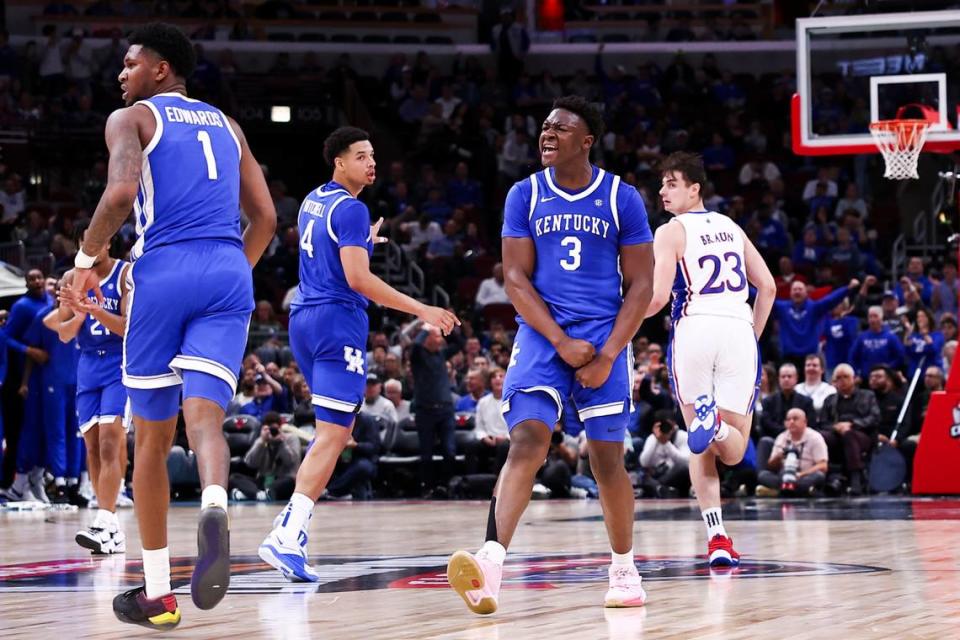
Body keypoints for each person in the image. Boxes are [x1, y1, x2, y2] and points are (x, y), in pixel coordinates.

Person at [69, 23, 277, 628]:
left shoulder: (130, 119)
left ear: (161, 70)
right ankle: (215, 500)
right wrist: (232, 272)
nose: (121, 74)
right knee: (206, 416)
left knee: (154, 442)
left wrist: (86, 263)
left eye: (130, 64)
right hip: (228, 269)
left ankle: (158, 594)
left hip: (162, 271)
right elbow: (263, 215)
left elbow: (120, 192)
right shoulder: (228, 125)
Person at [448, 96, 654, 613]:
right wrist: (560, 341)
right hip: (544, 335)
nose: (548, 134)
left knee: (607, 460)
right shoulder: (524, 194)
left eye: (561, 128)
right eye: (544, 127)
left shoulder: (621, 198)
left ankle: (624, 569)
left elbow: (642, 286)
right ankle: (490, 563)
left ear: (587, 141)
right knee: (527, 441)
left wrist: (607, 354)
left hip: (605, 334)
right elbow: (514, 277)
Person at [258, 126, 457, 582]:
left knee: (334, 429)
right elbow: (358, 280)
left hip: (303, 319)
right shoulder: (352, 209)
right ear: (339, 162)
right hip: (336, 321)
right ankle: (287, 533)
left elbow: (330, 252)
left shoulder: (315, 199)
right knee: (334, 434)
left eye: (373, 155)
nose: (371, 163)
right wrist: (422, 307)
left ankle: (292, 530)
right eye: (361, 156)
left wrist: (362, 243)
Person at [645, 151, 776, 566]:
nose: (663, 191)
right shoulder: (731, 226)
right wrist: (750, 337)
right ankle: (716, 425)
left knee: (702, 450)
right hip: (737, 328)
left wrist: (620, 319)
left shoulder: (670, 231)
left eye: (671, 183)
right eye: (662, 184)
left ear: (694, 188)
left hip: (694, 330)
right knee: (735, 451)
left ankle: (717, 536)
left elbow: (660, 296)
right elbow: (768, 287)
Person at [54, 223, 130, 550]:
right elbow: (64, 333)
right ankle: (110, 526)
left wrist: (95, 308)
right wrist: (80, 313)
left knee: (112, 441)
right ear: (81, 245)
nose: (94, 245)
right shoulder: (72, 279)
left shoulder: (126, 274)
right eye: (88, 241)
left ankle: (104, 519)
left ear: (109, 242)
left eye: (100, 240)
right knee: (94, 447)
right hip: (87, 364)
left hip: (118, 364)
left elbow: (128, 327)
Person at [819, 364, 880, 495]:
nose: (842, 381)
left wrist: (852, 424)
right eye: (838, 378)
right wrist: (835, 427)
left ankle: (855, 479)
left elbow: (874, 418)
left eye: (846, 377)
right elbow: (823, 423)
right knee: (820, 436)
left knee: (849, 434)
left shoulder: (867, 395)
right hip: (837, 433)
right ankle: (826, 478)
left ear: (854, 379)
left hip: (862, 434)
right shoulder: (830, 400)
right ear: (834, 382)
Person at [756, 408, 828, 497]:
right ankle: (800, 491)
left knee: (819, 476)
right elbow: (770, 466)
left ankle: (782, 491)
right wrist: (778, 457)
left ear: (805, 422)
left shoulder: (815, 437)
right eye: (788, 419)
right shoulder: (782, 437)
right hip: (783, 475)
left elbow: (823, 466)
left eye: (795, 419)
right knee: (763, 475)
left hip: (804, 475)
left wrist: (801, 474)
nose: (791, 422)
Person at [759, 363, 815, 438]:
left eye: (789, 376)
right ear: (778, 379)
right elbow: (766, 424)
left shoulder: (806, 402)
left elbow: (811, 424)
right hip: (774, 438)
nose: (786, 379)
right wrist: (787, 430)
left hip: (801, 439)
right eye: (783, 377)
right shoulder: (768, 402)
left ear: (796, 378)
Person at [849, 306, 906, 379]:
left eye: (875, 316)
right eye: (870, 317)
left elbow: (900, 356)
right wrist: (857, 372)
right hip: (866, 377)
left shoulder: (890, 337)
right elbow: (852, 356)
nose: (872, 320)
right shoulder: (862, 337)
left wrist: (888, 368)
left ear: (881, 318)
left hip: (885, 377)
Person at [795, 354, 836, 425]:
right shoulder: (796, 389)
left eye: (814, 365)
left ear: (822, 369)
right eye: (808, 365)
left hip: (821, 427)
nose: (811, 368)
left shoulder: (830, 390)